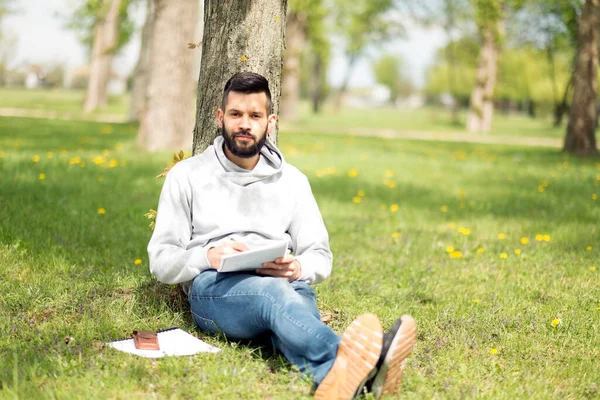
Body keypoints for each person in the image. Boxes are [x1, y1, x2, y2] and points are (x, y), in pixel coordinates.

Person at [147, 71, 417, 399]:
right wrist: (208, 256)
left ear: (270, 122)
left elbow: (320, 255)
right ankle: (366, 363)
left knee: (286, 306)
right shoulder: (187, 176)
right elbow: (161, 259)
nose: (244, 123)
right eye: (235, 114)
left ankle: (342, 380)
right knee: (273, 294)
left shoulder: (293, 181)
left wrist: (297, 268)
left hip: (287, 287)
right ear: (220, 118)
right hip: (214, 290)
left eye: (254, 116)